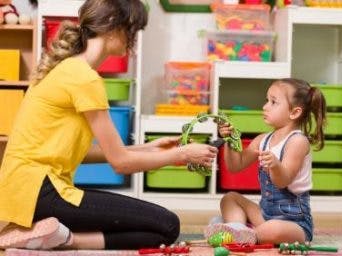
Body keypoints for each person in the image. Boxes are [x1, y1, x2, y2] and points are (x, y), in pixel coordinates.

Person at [0, 0, 218, 250]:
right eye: (132, 31)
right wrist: (179, 154)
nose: (132, 40)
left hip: (28, 192)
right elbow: (120, 163)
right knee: (167, 225)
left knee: (154, 227)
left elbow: (86, 154)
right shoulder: (84, 78)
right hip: (42, 192)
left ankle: (44, 233)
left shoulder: (70, 70)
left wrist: (150, 148)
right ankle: (63, 239)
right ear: (113, 27)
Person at [204, 78, 326, 245]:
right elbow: (235, 166)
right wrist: (231, 141)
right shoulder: (263, 139)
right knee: (230, 198)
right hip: (264, 214)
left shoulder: (297, 141)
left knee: (274, 229)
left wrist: (275, 165)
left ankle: (239, 231)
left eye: (273, 102)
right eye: (266, 100)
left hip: (294, 223)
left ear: (294, 112)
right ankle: (238, 228)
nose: (265, 106)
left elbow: (283, 181)